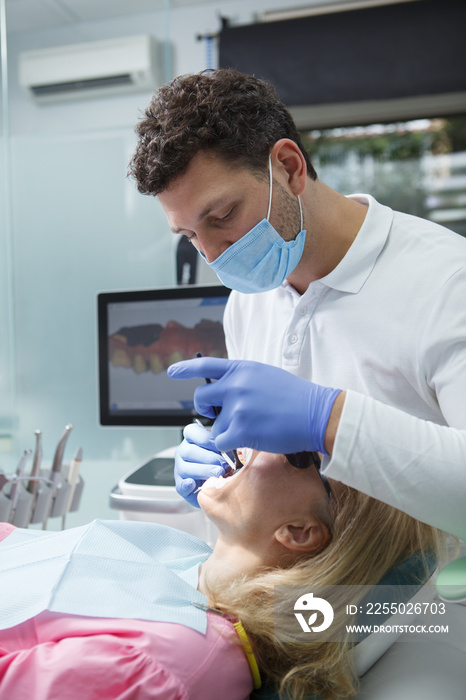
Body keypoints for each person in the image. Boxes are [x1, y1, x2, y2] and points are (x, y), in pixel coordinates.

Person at [128, 69, 466, 542]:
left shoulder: (448, 282)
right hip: (314, 606)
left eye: (222, 216)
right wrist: (226, 467)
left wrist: (327, 420)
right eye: (189, 236)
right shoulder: (247, 303)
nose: (212, 254)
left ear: (289, 167)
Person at [0, 451, 448, 700]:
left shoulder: (174, 664)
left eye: (298, 454)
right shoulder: (178, 555)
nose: (256, 437)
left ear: (298, 531)